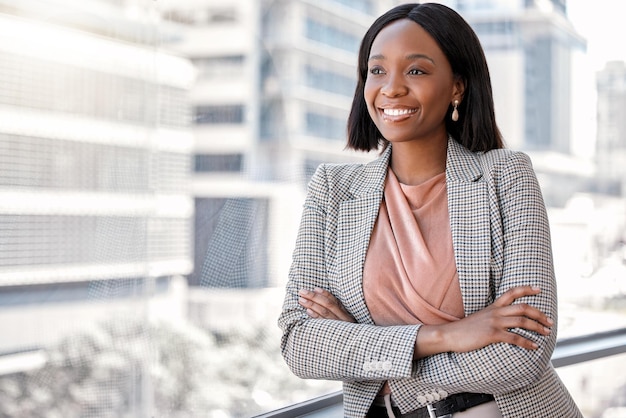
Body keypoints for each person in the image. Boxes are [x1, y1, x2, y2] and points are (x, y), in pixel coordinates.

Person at [278, 3, 583, 418]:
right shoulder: (333, 191)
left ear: (457, 86)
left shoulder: (506, 177)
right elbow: (300, 344)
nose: (391, 88)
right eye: (377, 70)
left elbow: (525, 351)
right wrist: (445, 335)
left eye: (416, 71)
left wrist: (367, 353)